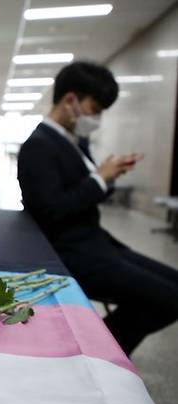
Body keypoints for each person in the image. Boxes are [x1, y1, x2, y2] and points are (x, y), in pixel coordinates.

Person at [17, 62, 178, 356]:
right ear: (70, 100)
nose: (98, 118)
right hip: (71, 252)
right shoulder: (38, 146)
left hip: (97, 243)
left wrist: (107, 176)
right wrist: (100, 179)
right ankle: (99, 353)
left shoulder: (74, 141)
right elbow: (50, 211)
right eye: (96, 108)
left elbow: (87, 190)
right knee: (168, 297)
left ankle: (101, 349)